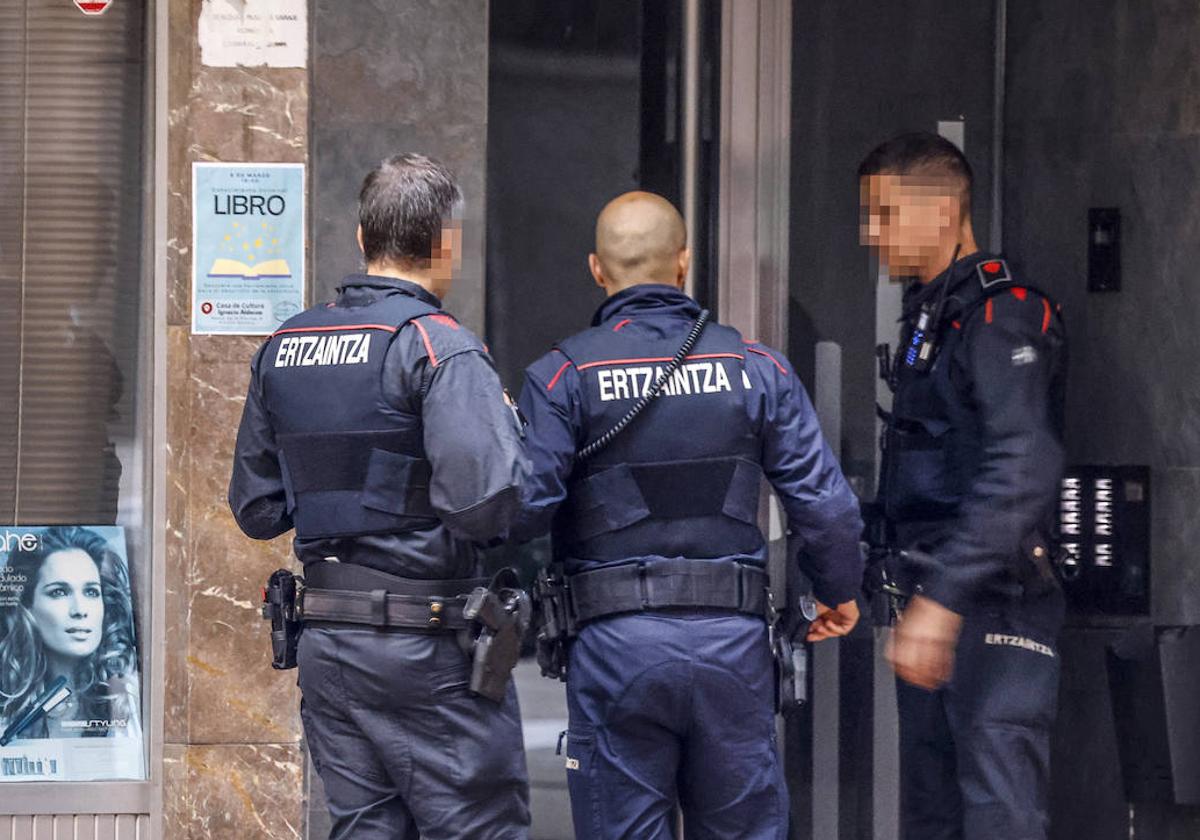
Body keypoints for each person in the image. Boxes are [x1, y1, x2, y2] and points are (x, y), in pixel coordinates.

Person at [516, 191, 864, 839]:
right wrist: (837, 591)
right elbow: (826, 505)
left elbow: (521, 513)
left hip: (614, 649)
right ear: (684, 263)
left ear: (597, 269)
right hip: (732, 649)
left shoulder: (561, 377)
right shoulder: (757, 369)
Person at [228, 154, 531, 840]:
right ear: (448, 242)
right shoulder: (438, 347)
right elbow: (486, 507)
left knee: (365, 829)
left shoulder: (286, 346)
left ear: (363, 239)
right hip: (425, 648)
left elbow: (258, 509)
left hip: (330, 646)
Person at [859, 132, 1067, 840]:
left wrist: (941, 603)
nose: (869, 233)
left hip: (995, 608)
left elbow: (1025, 461)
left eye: (884, 214)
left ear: (944, 211)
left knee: (996, 820)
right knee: (934, 822)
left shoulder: (1000, 313)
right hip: (936, 603)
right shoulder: (933, 311)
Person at [0, 525, 140, 740]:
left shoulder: (129, 700)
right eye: (59, 592)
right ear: (27, 606)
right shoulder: (6, 708)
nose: (80, 610)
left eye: (91, 592)